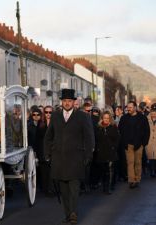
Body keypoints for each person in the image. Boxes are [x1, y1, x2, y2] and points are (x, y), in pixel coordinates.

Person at [44, 89, 94, 224]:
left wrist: (88, 155)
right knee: (64, 191)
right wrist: (47, 154)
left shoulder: (83, 116)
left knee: (74, 190)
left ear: (74, 102)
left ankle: (73, 214)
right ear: (62, 102)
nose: (67, 103)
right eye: (65, 101)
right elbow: (48, 136)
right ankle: (67, 215)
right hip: (59, 160)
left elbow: (89, 137)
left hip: (76, 159)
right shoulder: (55, 116)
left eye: (69, 101)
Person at [118, 101, 150, 189]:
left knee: (138, 162)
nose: (129, 109)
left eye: (130, 107)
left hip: (139, 144)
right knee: (130, 162)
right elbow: (120, 130)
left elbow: (147, 131)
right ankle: (131, 180)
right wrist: (123, 142)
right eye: (128, 107)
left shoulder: (142, 118)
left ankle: (137, 179)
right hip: (128, 145)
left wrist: (144, 143)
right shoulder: (124, 118)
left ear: (135, 107)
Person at [94, 111, 119, 194]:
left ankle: (108, 187)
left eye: (108, 118)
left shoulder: (113, 127)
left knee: (109, 170)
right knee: (103, 171)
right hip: (101, 153)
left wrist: (113, 147)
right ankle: (104, 185)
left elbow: (117, 139)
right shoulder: (98, 127)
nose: (106, 120)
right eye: (105, 118)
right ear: (102, 118)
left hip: (110, 152)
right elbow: (96, 139)